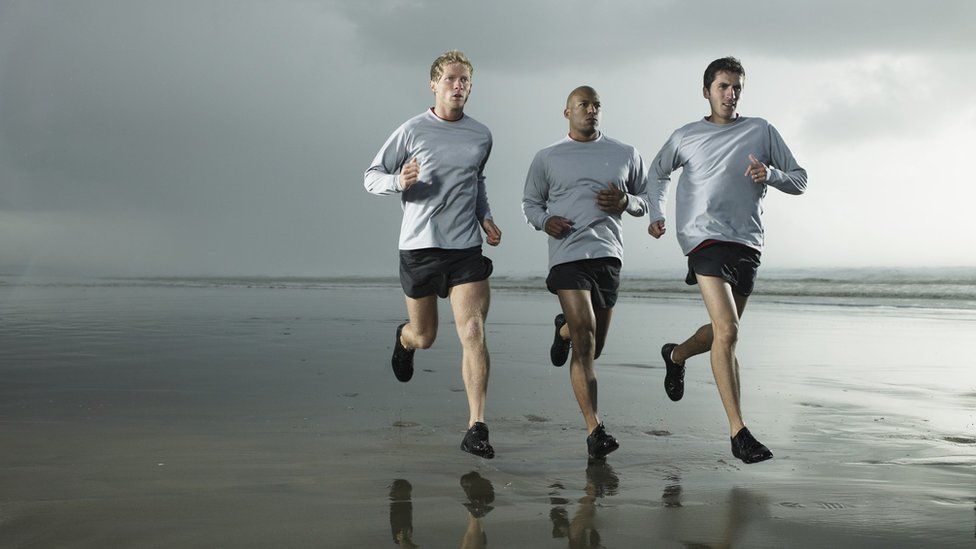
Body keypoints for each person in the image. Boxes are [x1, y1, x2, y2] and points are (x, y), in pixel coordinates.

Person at [646, 56, 807, 464]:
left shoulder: (761, 130)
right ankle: (738, 432)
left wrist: (770, 175)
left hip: (747, 242)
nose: (730, 94)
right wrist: (657, 213)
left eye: (736, 87)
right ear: (707, 91)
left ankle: (676, 354)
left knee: (724, 332)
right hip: (703, 238)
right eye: (723, 86)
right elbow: (658, 172)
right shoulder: (687, 135)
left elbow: (800, 179)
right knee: (729, 331)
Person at [364, 50, 502, 459]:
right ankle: (404, 340)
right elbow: (370, 177)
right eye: (450, 79)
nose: (458, 86)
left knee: (473, 331)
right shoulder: (411, 130)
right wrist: (398, 180)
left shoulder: (482, 135)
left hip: (465, 250)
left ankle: (476, 426)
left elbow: (476, 182)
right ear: (434, 84)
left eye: (465, 81)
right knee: (426, 336)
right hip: (420, 248)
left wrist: (486, 217)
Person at [522, 86, 649, 459]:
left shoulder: (625, 153)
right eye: (583, 105)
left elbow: (648, 199)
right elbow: (530, 203)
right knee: (586, 337)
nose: (591, 110)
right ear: (567, 112)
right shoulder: (547, 157)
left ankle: (562, 329)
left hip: (608, 255)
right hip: (567, 254)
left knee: (594, 346)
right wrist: (545, 221)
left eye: (596, 105)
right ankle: (594, 429)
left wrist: (627, 201)